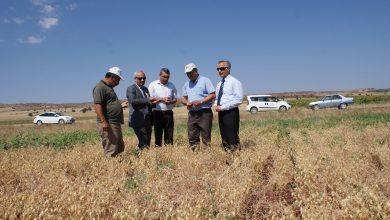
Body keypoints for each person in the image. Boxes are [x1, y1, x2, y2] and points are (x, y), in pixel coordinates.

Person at [93, 67, 128, 157]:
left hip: (114, 122)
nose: (118, 83)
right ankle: (111, 168)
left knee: (119, 147)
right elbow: (97, 105)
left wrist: (120, 106)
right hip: (108, 122)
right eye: (118, 80)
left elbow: (108, 104)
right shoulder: (100, 87)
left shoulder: (108, 87)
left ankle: (118, 167)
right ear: (113, 77)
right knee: (111, 148)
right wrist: (104, 122)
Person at [181, 63, 216, 149]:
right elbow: (183, 98)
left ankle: (207, 155)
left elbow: (212, 95)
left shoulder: (205, 80)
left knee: (206, 136)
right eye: (187, 73)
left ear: (196, 71)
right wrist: (186, 102)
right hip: (192, 113)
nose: (189, 75)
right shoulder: (186, 84)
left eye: (190, 72)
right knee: (192, 136)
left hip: (204, 112)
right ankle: (195, 155)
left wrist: (201, 101)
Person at [214, 60, 243, 151]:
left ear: (228, 69)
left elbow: (239, 99)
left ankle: (236, 156)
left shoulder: (235, 82)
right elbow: (217, 98)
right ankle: (227, 155)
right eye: (218, 69)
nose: (219, 71)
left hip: (231, 113)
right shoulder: (219, 84)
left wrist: (222, 107)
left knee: (232, 136)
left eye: (222, 68)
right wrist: (216, 105)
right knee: (224, 135)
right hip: (221, 113)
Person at [127, 70, 158, 150]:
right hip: (138, 119)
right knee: (143, 142)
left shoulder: (145, 89)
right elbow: (133, 101)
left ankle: (141, 157)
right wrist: (148, 100)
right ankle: (141, 158)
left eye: (144, 78)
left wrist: (154, 102)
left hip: (147, 119)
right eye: (140, 78)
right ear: (135, 79)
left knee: (147, 142)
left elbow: (147, 102)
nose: (142, 80)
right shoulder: (131, 88)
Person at [148, 68, 177, 146]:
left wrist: (170, 101)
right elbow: (150, 99)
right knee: (158, 133)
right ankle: (158, 151)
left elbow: (175, 99)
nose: (166, 79)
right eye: (164, 76)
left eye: (167, 77)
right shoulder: (152, 85)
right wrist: (162, 99)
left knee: (169, 133)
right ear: (159, 75)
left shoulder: (172, 85)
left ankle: (168, 151)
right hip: (157, 112)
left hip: (168, 112)